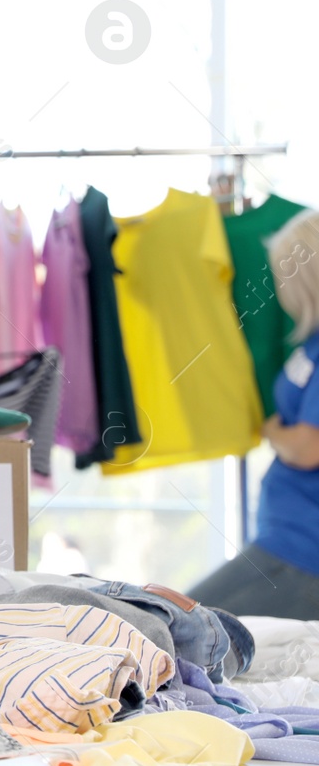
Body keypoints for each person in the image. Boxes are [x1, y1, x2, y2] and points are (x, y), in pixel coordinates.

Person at [191, 208, 319, 618]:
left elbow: (309, 447)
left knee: (178, 629)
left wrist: (271, 430)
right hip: (286, 543)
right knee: (179, 623)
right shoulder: (312, 347)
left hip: (301, 551)